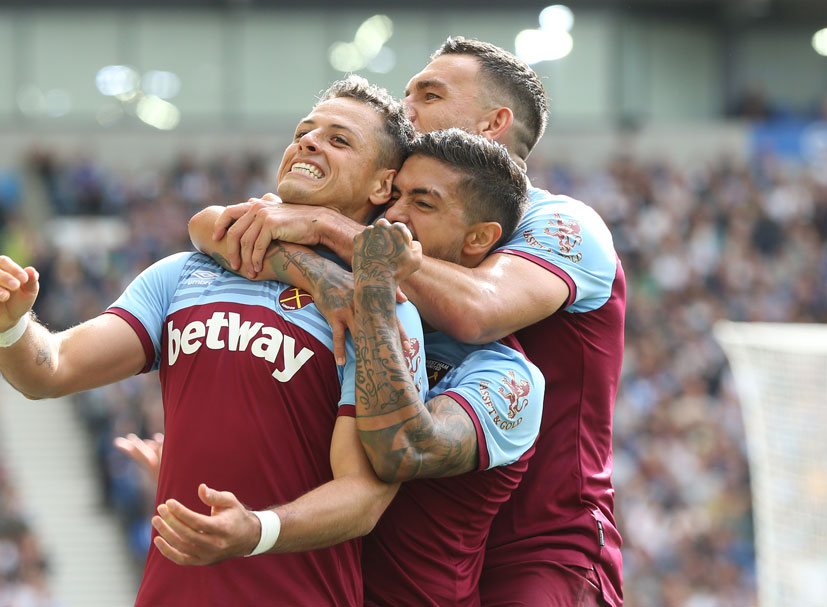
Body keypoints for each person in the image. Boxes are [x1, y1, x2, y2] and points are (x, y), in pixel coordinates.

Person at [0, 76, 426, 607]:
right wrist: (11, 327)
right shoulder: (184, 273)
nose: (309, 142)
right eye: (304, 132)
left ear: (380, 186)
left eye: (339, 140)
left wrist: (257, 531)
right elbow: (51, 369)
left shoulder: (374, 309)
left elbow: (365, 496)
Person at [207, 37, 625, 607]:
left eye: (429, 95)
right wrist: (311, 264)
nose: (407, 109)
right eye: (406, 94)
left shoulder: (562, 223)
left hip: (537, 546)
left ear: (492, 123)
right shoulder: (395, 209)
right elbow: (222, 226)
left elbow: (478, 310)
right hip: (395, 541)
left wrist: (326, 227)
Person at [143, 129, 546, 606]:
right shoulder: (335, 309)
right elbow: (213, 226)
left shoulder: (506, 377)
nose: (394, 215)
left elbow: (408, 451)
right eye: (394, 196)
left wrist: (366, 276)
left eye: (424, 203)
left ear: (478, 237)